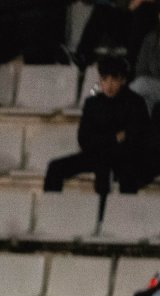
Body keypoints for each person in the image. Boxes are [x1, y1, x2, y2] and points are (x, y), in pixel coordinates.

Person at [45, 57, 150, 195]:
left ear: (123, 80)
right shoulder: (93, 103)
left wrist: (105, 141)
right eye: (105, 79)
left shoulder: (135, 102)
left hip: (125, 157)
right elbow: (84, 139)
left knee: (121, 171)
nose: (109, 85)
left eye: (114, 79)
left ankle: (115, 213)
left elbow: (136, 137)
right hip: (97, 154)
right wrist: (114, 138)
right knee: (55, 167)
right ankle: (51, 212)